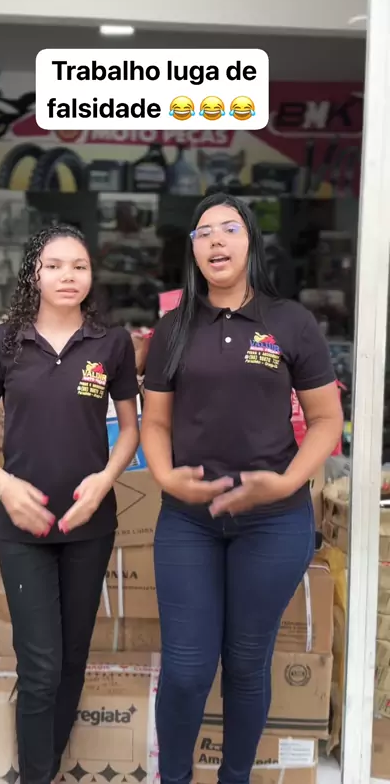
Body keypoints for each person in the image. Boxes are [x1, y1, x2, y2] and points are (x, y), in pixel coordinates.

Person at [141, 193, 343, 784]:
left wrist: (285, 482)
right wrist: (164, 476)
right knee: (186, 669)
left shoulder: (290, 322)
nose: (216, 240)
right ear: (193, 251)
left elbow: (326, 419)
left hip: (274, 522)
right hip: (189, 520)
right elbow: (155, 423)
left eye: (229, 228)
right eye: (203, 232)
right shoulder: (173, 328)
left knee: (248, 664)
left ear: (251, 241)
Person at [0, 224, 140, 784]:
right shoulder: (2, 343)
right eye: (55, 265)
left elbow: (131, 430)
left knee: (70, 661)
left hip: (90, 525)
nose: (69, 275)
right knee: (40, 665)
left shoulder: (111, 343)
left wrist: (105, 481)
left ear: (91, 275)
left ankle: (48, 766)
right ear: (34, 274)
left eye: (79, 266)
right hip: (23, 527)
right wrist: (3, 485)